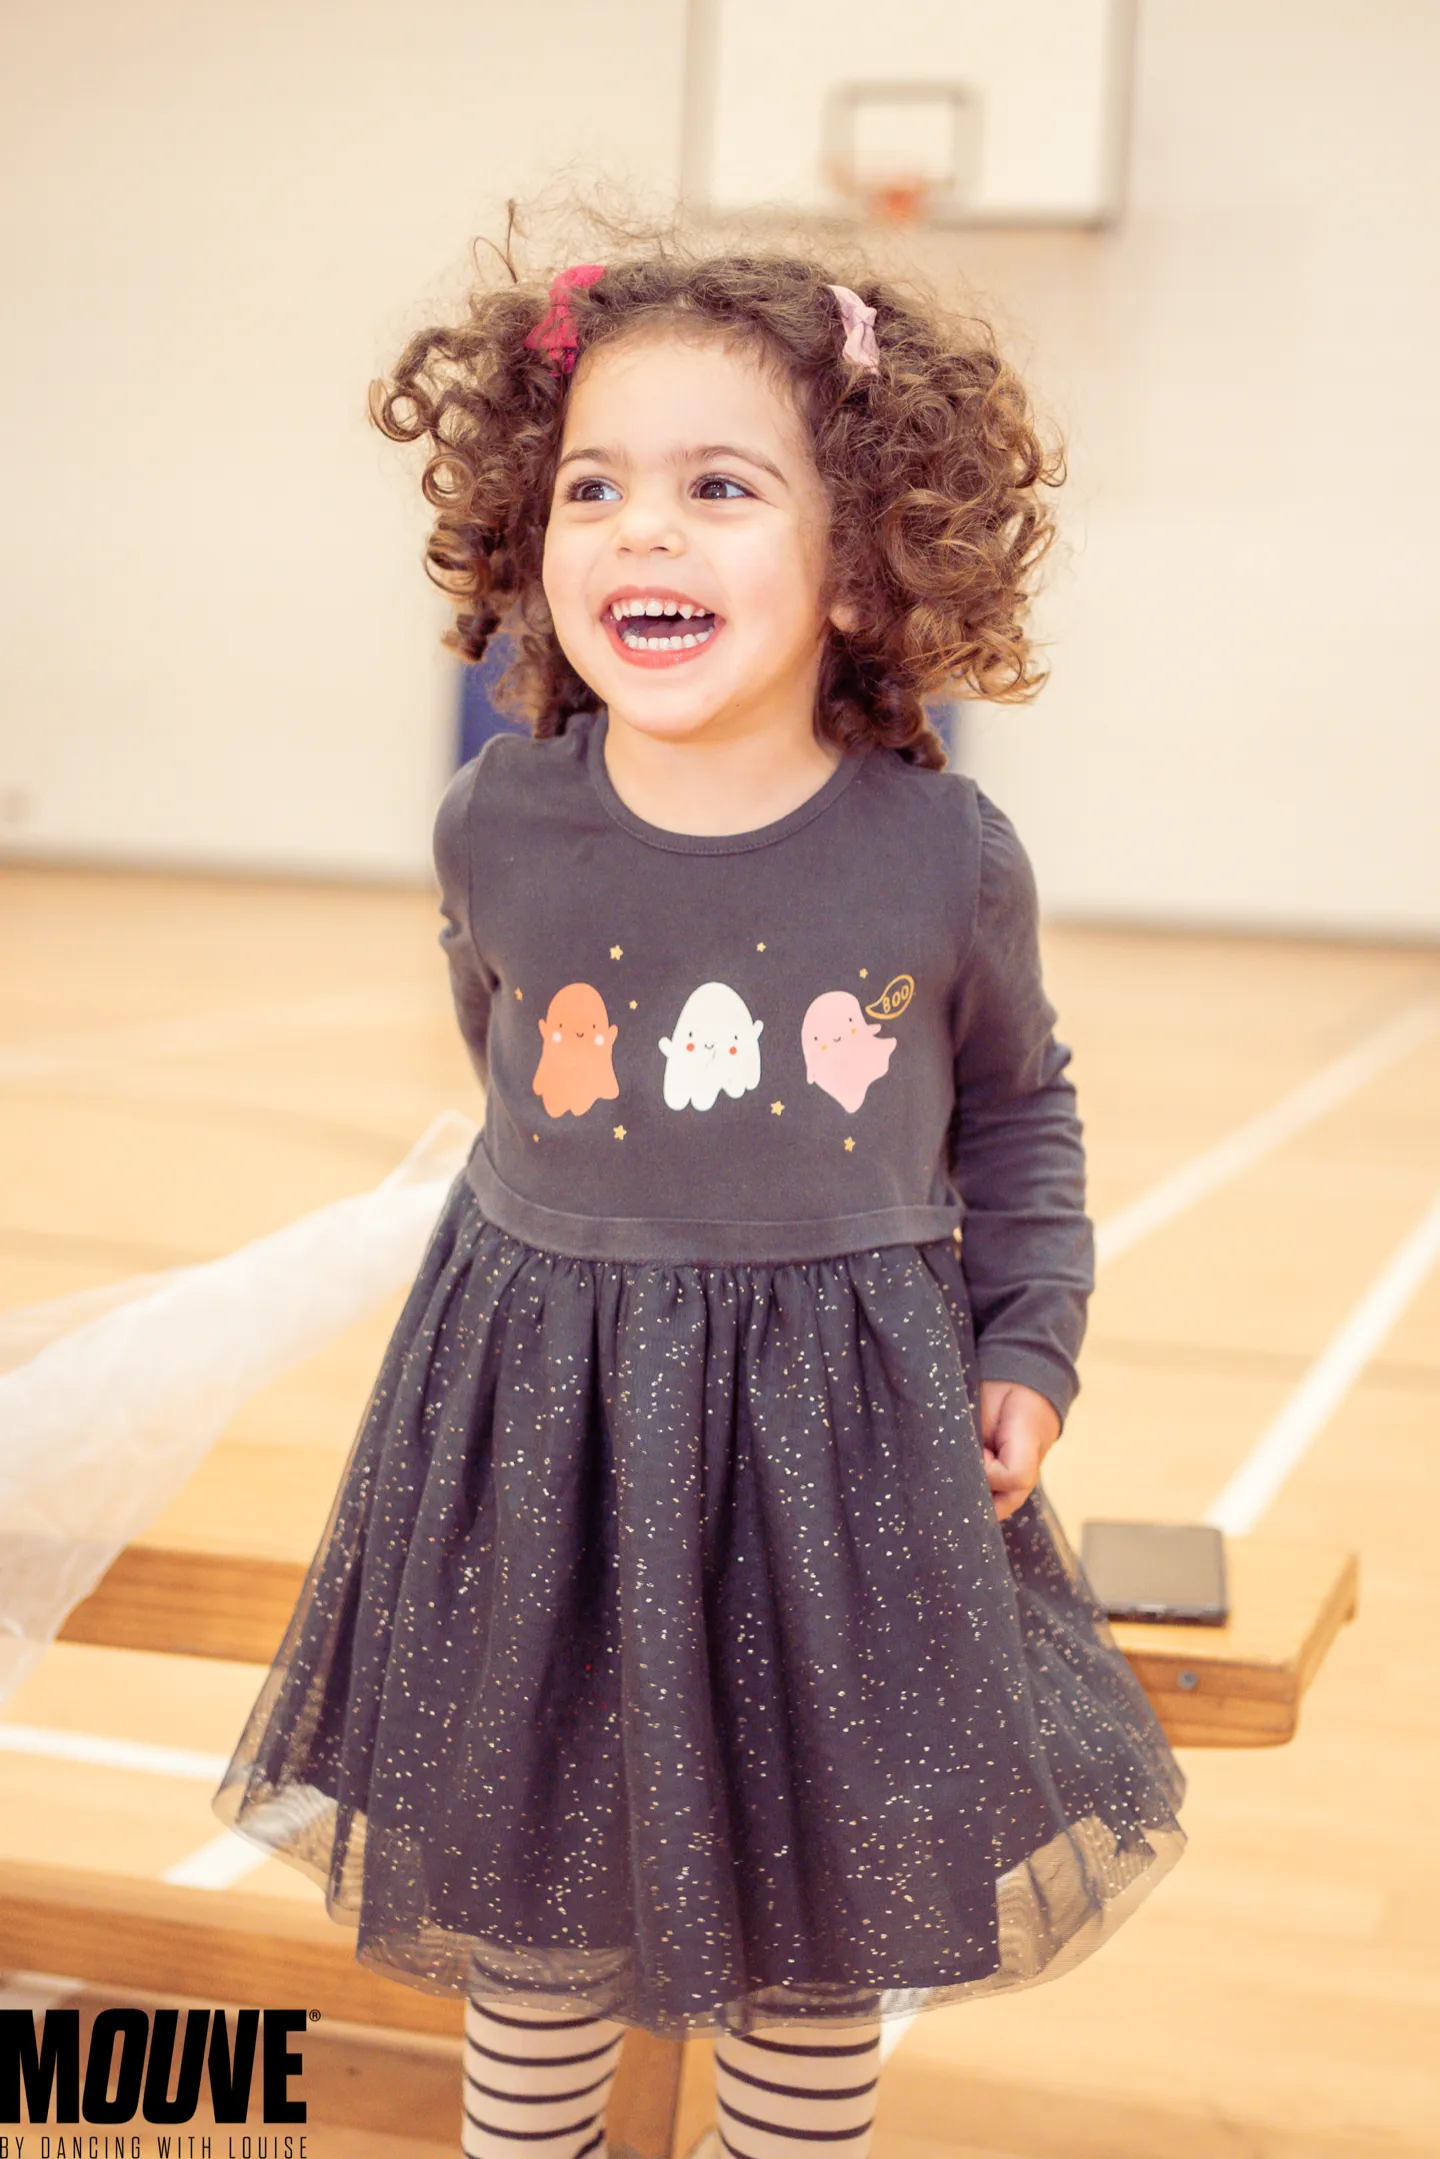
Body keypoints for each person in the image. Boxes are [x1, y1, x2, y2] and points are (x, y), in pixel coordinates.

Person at [211, 233, 1186, 2159]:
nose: (642, 529)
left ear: (859, 557)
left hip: (837, 1453)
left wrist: (1032, 1341)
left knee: (823, 1929)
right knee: (536, 1913)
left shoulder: (941, 853)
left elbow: (1020, 1113)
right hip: (542, 1439)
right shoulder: (499, 822)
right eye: (596, 484)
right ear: (531, 532)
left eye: (718, 487)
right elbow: (502, 1060)